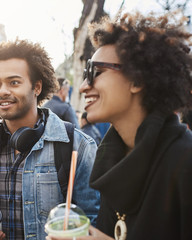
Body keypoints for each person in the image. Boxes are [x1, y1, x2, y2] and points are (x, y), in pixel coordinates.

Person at [49, 11, 192, 240]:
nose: (85, 86)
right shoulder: (110, 161)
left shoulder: (185, 160)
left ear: (137, 79)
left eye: (96, 72)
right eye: (85, 73)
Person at [0, 39, 100, 240]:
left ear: (37, 87)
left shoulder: (78, 145)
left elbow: (92, 220)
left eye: (14, 82)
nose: (2, 91)